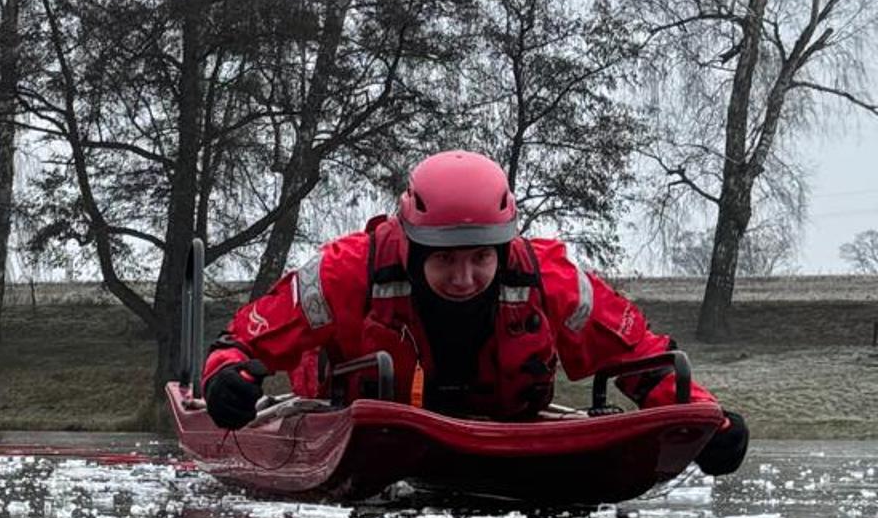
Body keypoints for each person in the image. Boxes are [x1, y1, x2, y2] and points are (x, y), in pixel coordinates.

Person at [200, 150, 749, 476]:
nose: (464, 278)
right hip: (366, 427)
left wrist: (707, 423)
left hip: (503, 428)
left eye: (480, 258)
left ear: (503, 245)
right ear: (413, 245)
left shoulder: (548, 275)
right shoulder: (349, 270)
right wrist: (225, 375)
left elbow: (641, 358)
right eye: (445, 261)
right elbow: (247, 339)